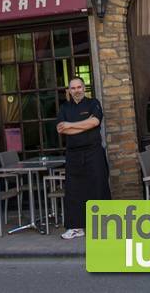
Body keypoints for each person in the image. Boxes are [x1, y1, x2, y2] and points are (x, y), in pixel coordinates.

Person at [56, 77, 111, 240]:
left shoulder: (93, 103)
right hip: (73, 154)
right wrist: (80, 125)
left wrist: (71, 125)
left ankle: (103, 225)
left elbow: (94, 122)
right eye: (73, 88)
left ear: (84, 88)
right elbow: (62, 130)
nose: (77, 90)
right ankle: (75, 228)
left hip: (94, 152)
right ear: (69, 91)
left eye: (79, 87)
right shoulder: (64, 107)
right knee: (74, 191)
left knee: (99, 186)